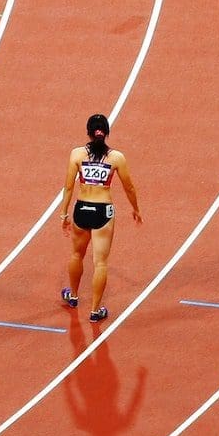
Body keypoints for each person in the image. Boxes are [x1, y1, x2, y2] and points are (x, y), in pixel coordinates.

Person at [57, 114, 142, 322]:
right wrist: (135, 208)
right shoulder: (116, 158)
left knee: (77, 255)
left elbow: (68, 186)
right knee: (101, 263)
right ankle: (95, 311)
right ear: (106, 132)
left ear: (88, 131)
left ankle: (74, 297)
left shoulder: (76, 154)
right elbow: (128, 186)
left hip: (81, 209)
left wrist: (64, 213)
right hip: (103, 211)